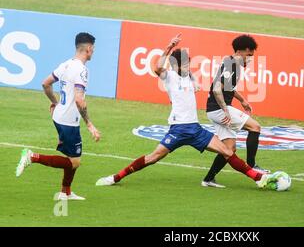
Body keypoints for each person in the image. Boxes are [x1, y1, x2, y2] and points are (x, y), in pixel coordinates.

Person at [96, 35, 276, 189]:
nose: (188, 66)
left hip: (196, 130)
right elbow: (158, 68)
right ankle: (115, 177)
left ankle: (259, 179)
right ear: (175, 65)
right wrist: (169, 47)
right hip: (178, 130)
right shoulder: (169, 77)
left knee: (228, 152)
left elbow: (211, 85)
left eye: (189, 63)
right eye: (185, 64)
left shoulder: (190, 77)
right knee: (153, 157)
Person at [16, 33, 101, 200]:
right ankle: (32, 157)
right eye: (94, 49)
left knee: (72, 158)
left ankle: (65, 192)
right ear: (89, 48)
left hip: (58, 116)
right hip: (69, 121)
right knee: (74, 162)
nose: (94, 52)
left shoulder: (66, 64)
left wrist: (55, 103)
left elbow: (45, 83)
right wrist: (90, 124)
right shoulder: (82, 70)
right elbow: (79, 100)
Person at [201, 35, 269, 188]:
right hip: (219, 109)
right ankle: (252, 165)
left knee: (229, 149)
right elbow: (217, 89)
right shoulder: (231, 64)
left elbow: (228, 87)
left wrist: (242, 100)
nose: (250, 59)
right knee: (255, 127)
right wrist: (225, 110)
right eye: (249, 55)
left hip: (215, 109)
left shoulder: (232, 64)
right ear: (240, 51)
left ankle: (208, 179)